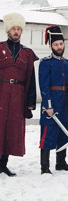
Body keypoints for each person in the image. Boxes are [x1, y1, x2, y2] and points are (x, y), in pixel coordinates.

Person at [0, 12, 38, 176]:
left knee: (11, 130)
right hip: (1, 92)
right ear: (8, 31)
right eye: (13, 29)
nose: (16, 32)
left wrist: (30, 101)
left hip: (18, 95)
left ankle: (4, 164)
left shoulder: (27, 53)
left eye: (19, 29)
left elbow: (31, 78)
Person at [39, 25, 68, 174]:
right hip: (52, 104)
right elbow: (44, 87)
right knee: (49, 134)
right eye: (56, 44)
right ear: (51, 46)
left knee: (64, 134)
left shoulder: (67, 63)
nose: (59, 47)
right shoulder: (45, 63)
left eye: (61, 44)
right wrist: (48, 105)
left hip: (65, 104)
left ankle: (61, 162)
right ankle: (45, 167)